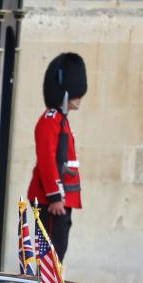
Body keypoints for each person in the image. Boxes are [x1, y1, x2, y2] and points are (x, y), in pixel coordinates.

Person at [27, 52, 87, 262]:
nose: (80, 96)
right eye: (76, 92)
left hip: (61, 200)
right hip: (51, 201)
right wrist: (54, 197)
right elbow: (47, 159)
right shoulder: (50, 120)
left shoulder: (60, 120)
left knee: (57, 253)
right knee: (49, 255)